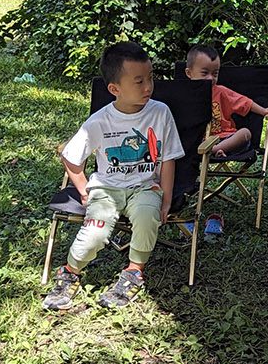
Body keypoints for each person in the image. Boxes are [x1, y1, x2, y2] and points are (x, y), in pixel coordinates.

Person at [44, 41, 185, 314]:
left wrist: (166, 199)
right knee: (94, 233)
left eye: (151, 78)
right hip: (106, 189)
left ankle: (134, 272)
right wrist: (84, 190)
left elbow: (167, 158)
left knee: (147, 218)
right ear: (114, 89)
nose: (148, 87)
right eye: (139, 81)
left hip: (146, 186)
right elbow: (70, 158)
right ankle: (70, 271)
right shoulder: (99, 121)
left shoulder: (160, 112)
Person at [184, 42, 268, 235]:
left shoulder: (222, 92)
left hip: (225, 138)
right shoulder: (184, 96)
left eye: (215, 73)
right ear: (189, 74)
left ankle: (218, 150)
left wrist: (264, 111)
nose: (211, 78)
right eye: (204, 73)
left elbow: (245, 102)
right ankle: (208, 152)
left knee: (245, 133)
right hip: (198, 142)